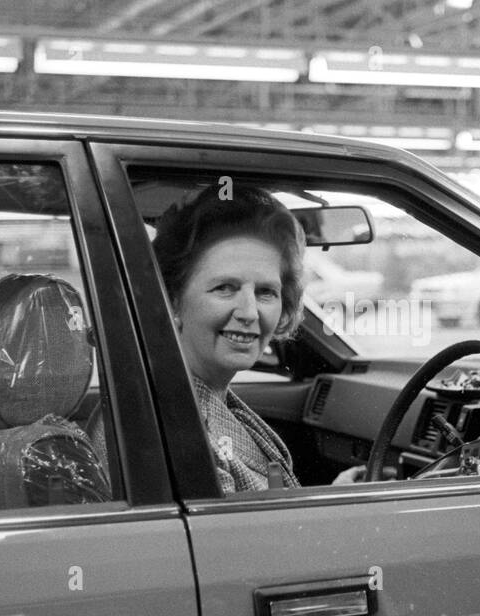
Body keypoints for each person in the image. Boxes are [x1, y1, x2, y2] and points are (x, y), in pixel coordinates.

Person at [152, 182, 367, 493]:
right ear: (172, 300)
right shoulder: (182, 434)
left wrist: (335, 496)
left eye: (266, 292)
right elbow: (252, 541)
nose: (250, 312)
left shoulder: (197, 399)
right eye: (224, 288)